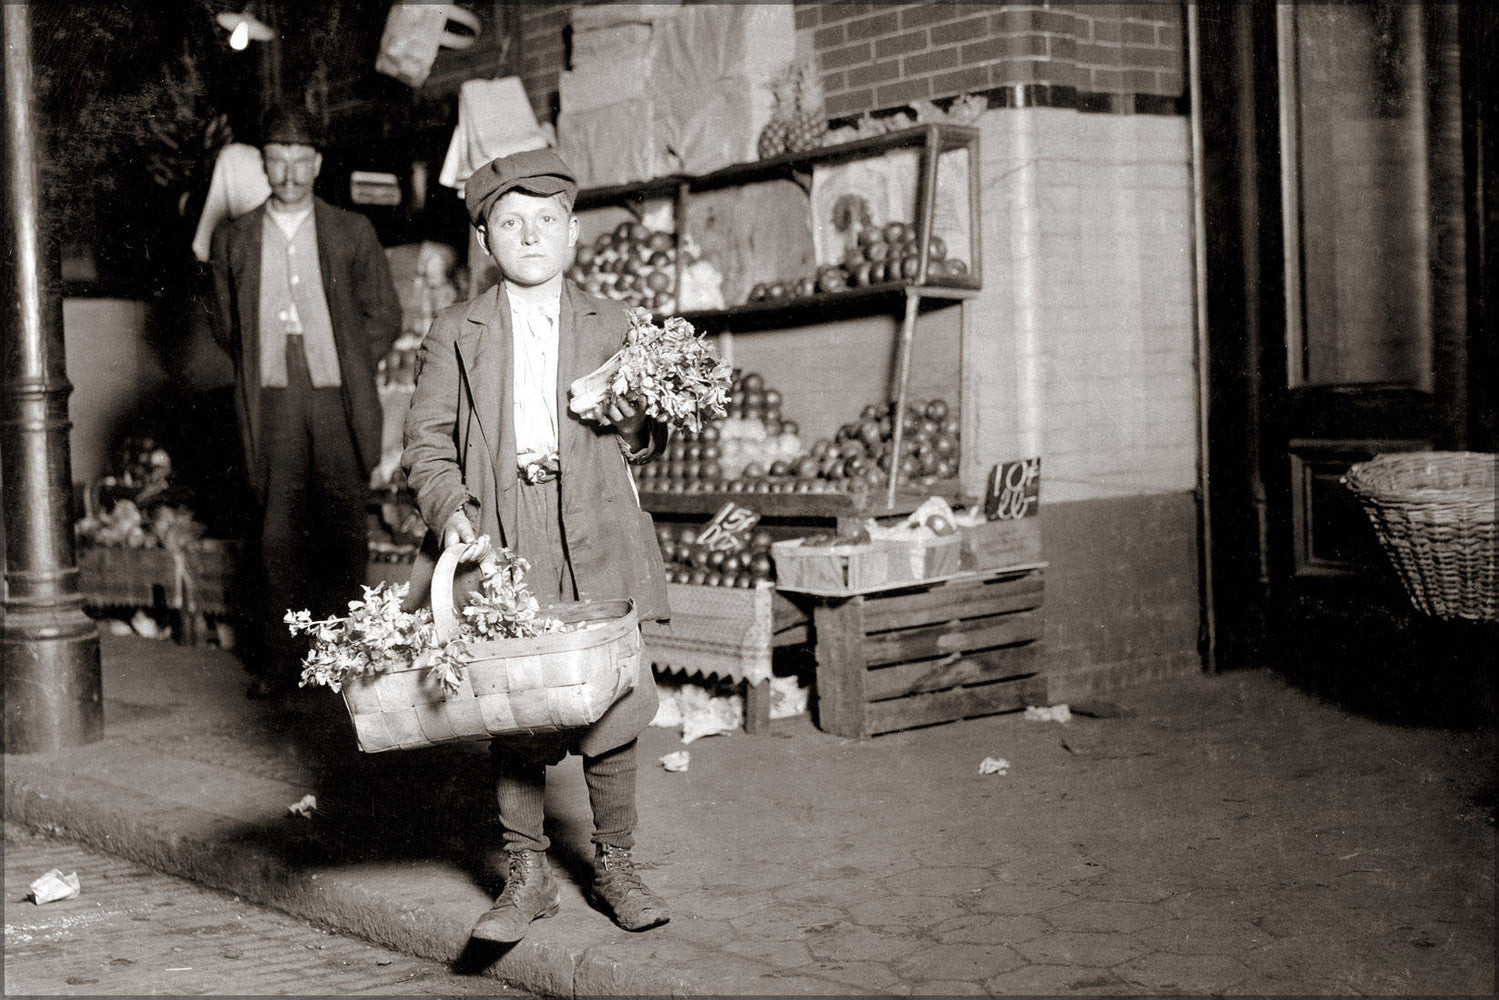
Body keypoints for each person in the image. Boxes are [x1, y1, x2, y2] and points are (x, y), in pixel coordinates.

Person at [401, 148, 672, 941]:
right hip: (503, 532)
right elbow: (425, 443)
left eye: (545, 221)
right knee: (516, 704)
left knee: (612, 696)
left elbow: (645, 434)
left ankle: (615, 864)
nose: (529, 236)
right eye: (509, 223)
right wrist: (451, 507)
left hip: (594, 519)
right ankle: (527, 873)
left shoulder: (617, 323)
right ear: (485, 240)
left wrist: (628, 419)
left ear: (573, 233)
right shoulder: (457, 330)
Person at [209, 103, 402, 699]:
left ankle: (352, 664)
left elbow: (385, 315)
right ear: (262, 164)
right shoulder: (234, 237)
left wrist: (346, 355)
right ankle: (282, 663)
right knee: (277, 532)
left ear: (317, 163)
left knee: (343, 529)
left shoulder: (351, 230)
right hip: (272, 399)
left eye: (300, 160)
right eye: (276, 160)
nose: (289, 173)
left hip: (334, 399)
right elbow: (224, 321)